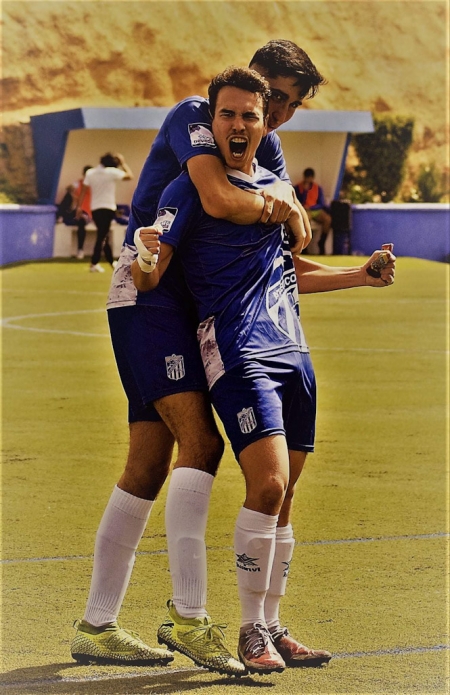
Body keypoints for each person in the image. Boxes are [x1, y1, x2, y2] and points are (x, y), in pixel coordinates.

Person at [71, 40, 324, 677]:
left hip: (186, 302)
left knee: (149, 460)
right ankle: (189, 620)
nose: (277, 116)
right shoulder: (196, 113)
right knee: (201, 447)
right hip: (149, 292)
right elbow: (216, 199)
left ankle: (97, 626)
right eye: (278, 99)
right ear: (247, 89)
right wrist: (283, 205)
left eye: (286, 108)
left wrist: (293, 216)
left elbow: (296, 235)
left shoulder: (265, 143)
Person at [131, 68, 395, 674]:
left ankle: (273, 625)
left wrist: (359, 274)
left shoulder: (273, 188)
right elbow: (153, 269)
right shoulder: (188, 190)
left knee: (286, 498)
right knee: (268, 484)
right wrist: (145, 255)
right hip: (237, 350)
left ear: (262, 120)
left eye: (251, 116)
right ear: (212, 122)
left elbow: (287, 271)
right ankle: (250, 631)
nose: (241, 125)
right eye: (228, 115)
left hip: (292, 351)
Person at [76, 153, 133, 273]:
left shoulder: (90, 173)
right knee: (102, 235)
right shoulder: (112, 172)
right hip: (108, 207)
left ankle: (111, 261)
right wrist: (123, 163)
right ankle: (94, 263)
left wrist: (79, 207)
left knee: (103, 235)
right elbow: (129, 176)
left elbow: (83, 191)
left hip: (95, 208)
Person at [56, 165, 92, 259]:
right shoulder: (79, 183)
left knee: (81, 221)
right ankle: (60, 216)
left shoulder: (95, 185)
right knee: (68, 196)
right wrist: (72, 192)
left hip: (87, 212)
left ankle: (80, 250)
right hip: (76, 210)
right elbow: (70, 187)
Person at [294, 168, 332, 255]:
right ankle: (305, 245)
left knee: (328, 219)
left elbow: (321, 203)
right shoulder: (298, 187)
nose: (308, 180)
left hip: (315, 210)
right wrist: (304, 191)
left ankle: (322, 242)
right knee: (306, 218)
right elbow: (296, 201)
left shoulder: (317, 188)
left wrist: (312, 207)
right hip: (304, 210)